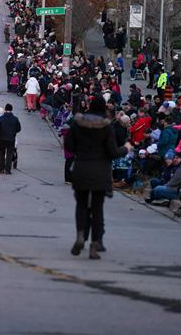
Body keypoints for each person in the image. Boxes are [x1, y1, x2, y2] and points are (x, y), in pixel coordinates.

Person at [64, 96, 131, 259]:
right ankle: (95, 243)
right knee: (97, 207)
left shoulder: (78, 123)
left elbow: (69, 146)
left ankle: (80, 235)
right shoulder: (107, 126)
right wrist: (126, 149)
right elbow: (113, 152)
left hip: (81, 168)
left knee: (81, 205)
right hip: (101, 171)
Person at [0, 104, 21, 174]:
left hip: (2, 138)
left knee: (1, 153)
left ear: (5, 109)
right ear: (11, 109)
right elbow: (19, 129)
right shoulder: (15, 119)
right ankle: (7, 169)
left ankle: (1, 168)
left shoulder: (0, 119)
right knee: (9, 154)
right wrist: (13, 132)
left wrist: (0, 133)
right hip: (11, 139)